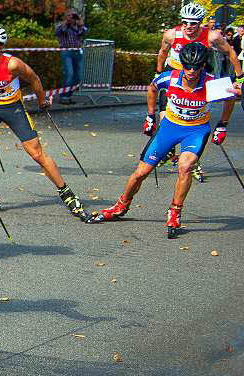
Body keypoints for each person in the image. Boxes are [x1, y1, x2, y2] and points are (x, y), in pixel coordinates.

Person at [98, 41, 238, 237]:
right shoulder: (169, 78)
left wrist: (222, 124)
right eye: (187, 65)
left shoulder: (211, 83)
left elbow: (231, 97)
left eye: (196, 66)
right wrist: (150, 115)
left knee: (185, 166)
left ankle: (175, 211)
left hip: (196, 130)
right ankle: (121, 206)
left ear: (202, 66)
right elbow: (152, 88)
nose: (191, 70)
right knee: (141, 172)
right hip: (169, 128)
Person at [0, 24, 91, 221]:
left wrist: (42, 101)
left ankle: (67, 194)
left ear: (0, 48)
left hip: (13, 108)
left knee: (36, 154)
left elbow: (34, 79)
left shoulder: (12, 64)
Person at [155, 2, 241, 180]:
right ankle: (168, 149)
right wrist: (157, 72)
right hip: (173, 76)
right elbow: (163, 52)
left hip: (199, 78)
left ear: (200, 23)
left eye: (193, 23)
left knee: (195, 118)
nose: (188, 27)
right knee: (165, 114)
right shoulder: (171, 34)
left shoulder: (212, 36)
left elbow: (231, 53)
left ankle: (192, 160)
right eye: (185, 22)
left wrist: (240, 77)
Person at [55, 10, 87, 105]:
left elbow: (84, 32)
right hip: (66, 52)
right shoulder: (62, 26)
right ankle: (64, 96)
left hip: (77, 52)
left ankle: (68, 96)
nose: (72, 19)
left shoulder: (76, 27)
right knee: (69, 74)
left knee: (79, 76)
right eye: (70, 16)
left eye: (73, 17)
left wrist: (80, 24)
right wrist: (66, 22)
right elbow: (58, 32)